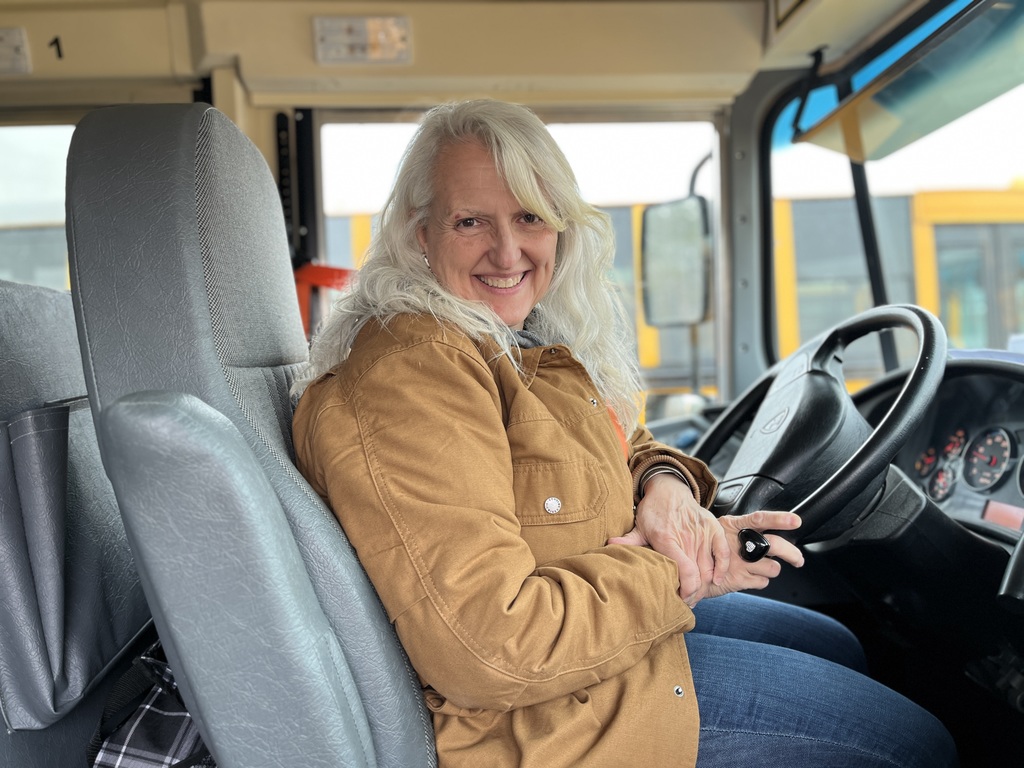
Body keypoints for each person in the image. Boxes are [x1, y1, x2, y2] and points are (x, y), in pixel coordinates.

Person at [292, 99, 957, 768]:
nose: (507, 250)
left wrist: (664, 487)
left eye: (531, 217)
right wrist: (678, 565)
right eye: (471, 222)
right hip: (547, 725)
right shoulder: (415, 372)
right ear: (419, 235)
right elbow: (493, 649)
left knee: (835, 643)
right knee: (920, 745)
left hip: (596, 645)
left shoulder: (510, 343)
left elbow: (612, 444)